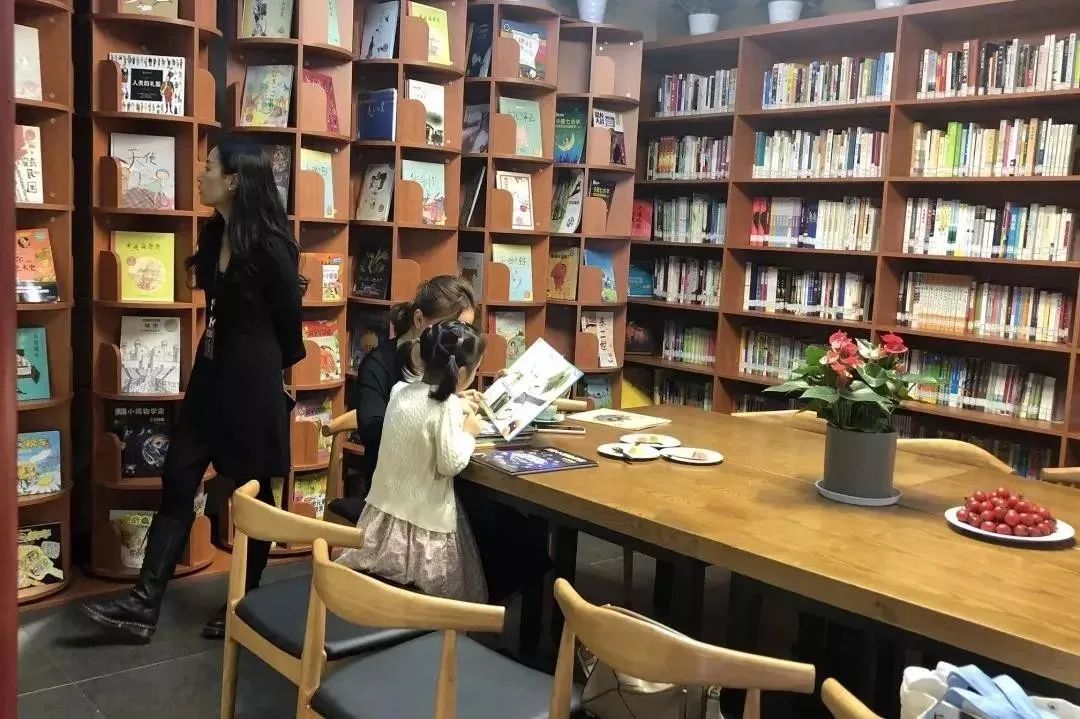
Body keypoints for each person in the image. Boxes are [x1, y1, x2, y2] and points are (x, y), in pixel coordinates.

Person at [81, 135, 305, 642]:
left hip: (251, 382)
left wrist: (265, 372)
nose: (200, 174)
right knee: (179, 475)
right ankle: (142, 606)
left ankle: (245, 602)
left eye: (209, 167)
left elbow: (290, 327)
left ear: (234, 180)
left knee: (252, 492)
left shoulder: (270, 246)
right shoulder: (215, 233)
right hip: (209, 376)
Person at [348, 276, 552, 601]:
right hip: (409, 486)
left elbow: (431, 411)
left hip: (426, 487)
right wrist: (449, 413)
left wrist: (465, 402)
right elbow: (375, 428)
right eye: (453, 327)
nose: (459, 337)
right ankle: (471, 611)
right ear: (419, 320)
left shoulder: (421, 384)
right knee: (503, 529)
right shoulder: (382, 364)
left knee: (509, 523)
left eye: (466, 328)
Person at [338, 321, 488, 600]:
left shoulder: (400, 390)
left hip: (383, 519)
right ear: (462, 373)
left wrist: (455, 400)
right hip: (424, 529)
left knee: (383, 594)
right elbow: (450, 463)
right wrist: (468, 432)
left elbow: (424, 410)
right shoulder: (446, 406)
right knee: (442, 603)